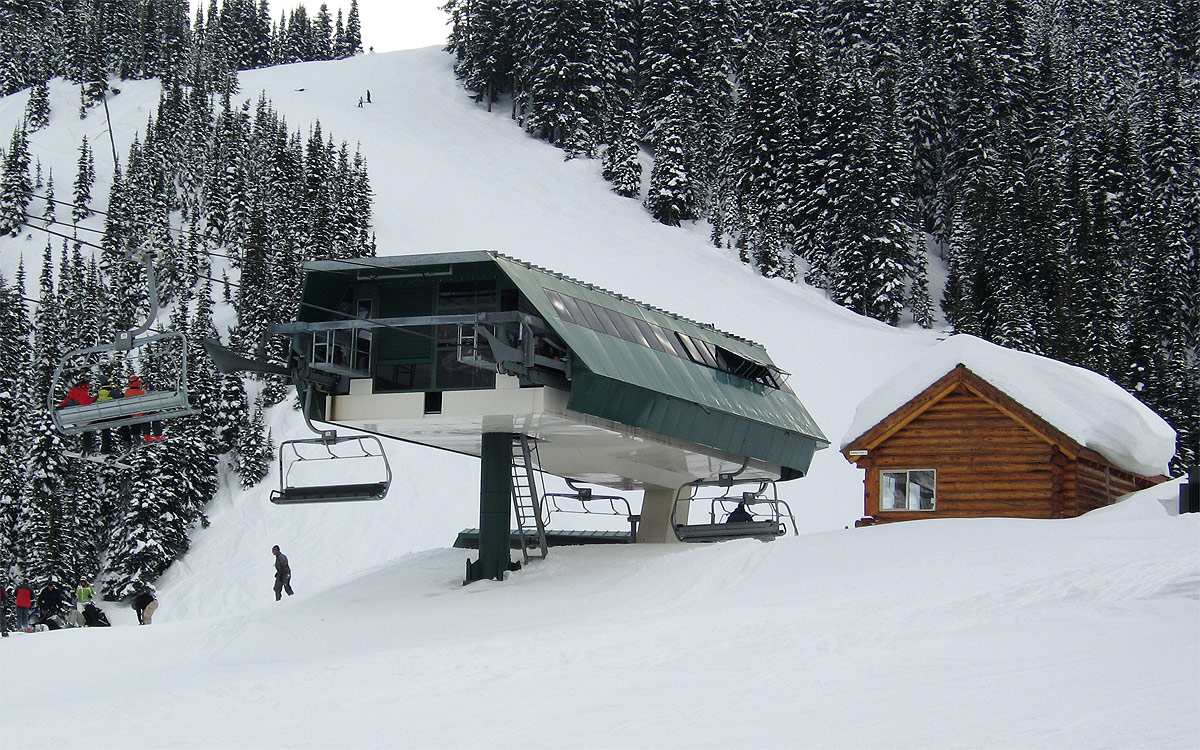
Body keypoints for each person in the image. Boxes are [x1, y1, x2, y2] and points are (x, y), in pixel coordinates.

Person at [59, 381, 97, 455]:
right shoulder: (82, 392)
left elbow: (67, 400)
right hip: (82, 416)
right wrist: (94, 398)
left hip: (75, 418)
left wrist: (61, 405)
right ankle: (87, 449)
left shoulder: (74, 391)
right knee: (88, 429)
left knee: (86, 430)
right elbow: (84, 402)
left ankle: (85, 449)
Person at [96, 377, 123, 453]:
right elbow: (121, 399)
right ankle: (127, 442)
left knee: (105, 429)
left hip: (102, 416)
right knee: (124, 423)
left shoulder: (100, 393)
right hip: (113, 414)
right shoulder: (112, 392)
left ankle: (105, 448)